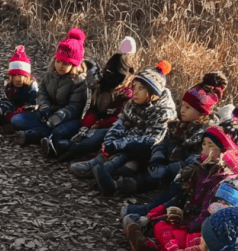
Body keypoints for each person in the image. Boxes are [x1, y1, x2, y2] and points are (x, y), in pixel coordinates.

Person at [84, 62, 176, 196]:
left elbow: (152, 140)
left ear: (152, 93)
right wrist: (111, 141)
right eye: (134, 87)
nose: (135, 92)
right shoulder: (133, 103)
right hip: (130, 144)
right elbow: (121, 122)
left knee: (127, 157)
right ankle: (99, 169)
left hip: (148, 153)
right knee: (109, 139)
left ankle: (104, 172)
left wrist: (117, 144)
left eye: (141, 89)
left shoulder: (163, 112)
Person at [56, 38, 136, 163]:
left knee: (95, 137)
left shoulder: (127, 95)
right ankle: (64, 144)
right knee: (72, 129)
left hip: (111, 127)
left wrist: (98, 124)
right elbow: (93, 108)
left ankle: (73, 150)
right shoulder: (101, 85)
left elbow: (121, 119)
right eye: (108, 72)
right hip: (93, 122)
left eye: (114, 73)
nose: (110, 76)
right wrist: (87, 124)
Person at [10, 28, 88, 147]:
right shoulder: (50, 74)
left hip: (67, 119)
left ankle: (32, 135)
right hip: (47, 115)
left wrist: (60, 115)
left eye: (65, 63)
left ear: (74, 65)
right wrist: (44, 106)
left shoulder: (79, 81)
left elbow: (76, 106)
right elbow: (42, 92)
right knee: (17, 120)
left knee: (59, 131)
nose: (60, 66)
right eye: (58, 61)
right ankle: (43, 136)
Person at [0, 45, 38, 131]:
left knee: (19, 117)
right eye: (15, 75)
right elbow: (9, 99)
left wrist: (23, 108)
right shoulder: (9, 86)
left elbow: (34, 104)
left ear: (27, 77)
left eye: (21, 75)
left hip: (26, 109)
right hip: (13, 106)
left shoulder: (31, 87)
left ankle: (10, 125)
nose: (18, 79)